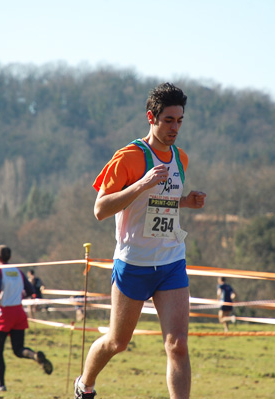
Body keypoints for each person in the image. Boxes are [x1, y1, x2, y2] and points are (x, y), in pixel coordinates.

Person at [74, 83, 207, 399]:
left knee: (178, 344)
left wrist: (186, 201)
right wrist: (141, 184)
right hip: (134, 262)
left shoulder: (181, 158)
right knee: (117, 342)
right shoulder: (129, 157)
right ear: (152, 117)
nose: (175, 128)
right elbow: (100, 210)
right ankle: (85, 383)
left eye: (179, 121)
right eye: (168, 120)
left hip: (171, 260)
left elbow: (162, 202)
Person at [0, 245, 53, 392]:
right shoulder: (17, 271)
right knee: (18, 349)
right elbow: (30, 290)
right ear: (9, 257)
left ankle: (1, 385)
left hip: (3, 314)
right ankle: (35, 356)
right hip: (19, 312)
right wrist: (18, 296)